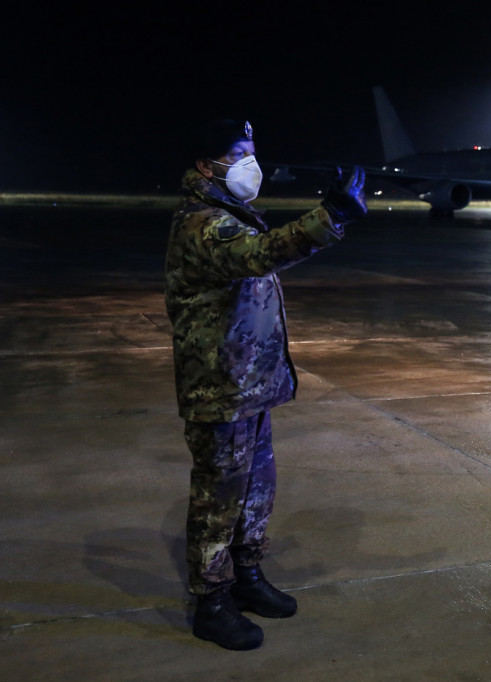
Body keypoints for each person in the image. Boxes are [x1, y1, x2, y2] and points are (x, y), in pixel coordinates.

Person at [165, 119, 366, 650]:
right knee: (218, 497)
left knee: (256, 488)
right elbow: (259, 254)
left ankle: (247, 577)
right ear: (207, 165)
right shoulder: (203, 224)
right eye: (238, 151)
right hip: (220, 390)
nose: (251, 161)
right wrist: (330, 217)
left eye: (253, 150)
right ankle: (211, 602)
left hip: (250, 384)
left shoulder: (232, 213)